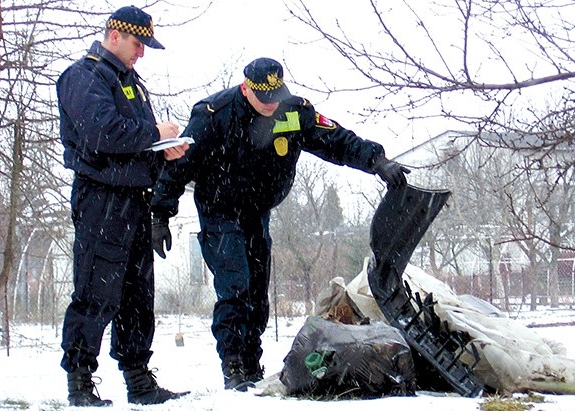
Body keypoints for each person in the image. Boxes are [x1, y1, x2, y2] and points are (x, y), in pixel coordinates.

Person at [151, 57, 410, 392]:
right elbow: (179, 165)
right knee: (235, 286)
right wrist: (160, 214)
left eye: (276, 96)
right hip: (220, 210)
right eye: (264, 98)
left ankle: (250, 362)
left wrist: (376, 161)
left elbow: (336, 140)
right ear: (246, 89)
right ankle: (233, 366)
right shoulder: (215, 114)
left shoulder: (294, 112)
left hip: (258, 211)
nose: (271, 105)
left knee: (257, 291)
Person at [56, 5, 190, 406]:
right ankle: (80, 381)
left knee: (136, 295)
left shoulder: (130, 82)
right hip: (101, 199)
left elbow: (133, 142)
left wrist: (164, 151)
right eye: (138, 43)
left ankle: (138, 380)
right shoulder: (84, 77)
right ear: (114, 35)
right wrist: (153, 133)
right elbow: (102, 133)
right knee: (96, 291)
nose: (142, 53)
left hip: (135, 199)